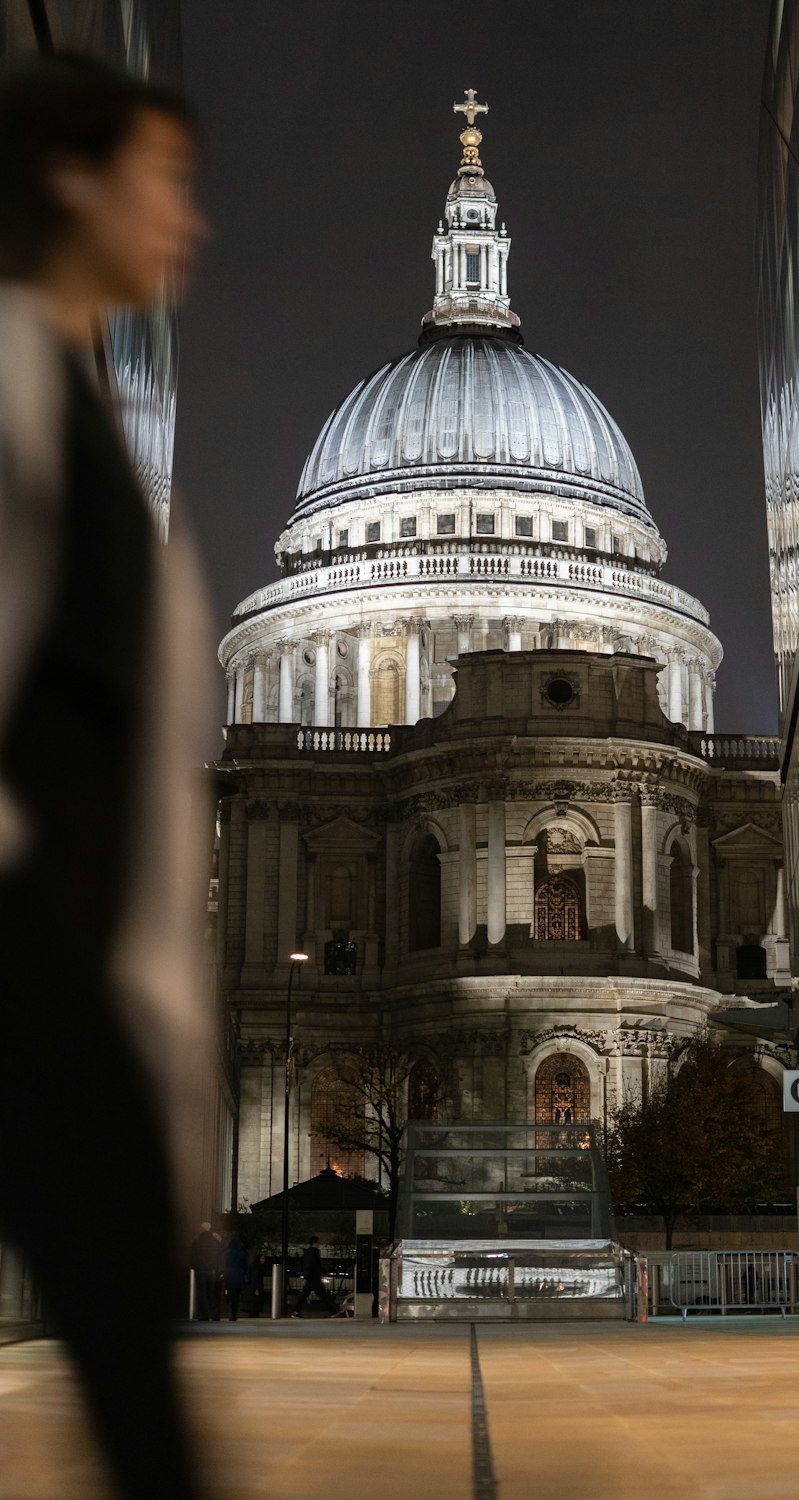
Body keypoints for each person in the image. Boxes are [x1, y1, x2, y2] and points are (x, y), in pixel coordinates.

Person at [0, 53, 211, 1500]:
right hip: (20, 946)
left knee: (127, 1330)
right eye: (163, 179)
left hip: (65, 954)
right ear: (72, 180)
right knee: (129, 1350)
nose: (186, 220)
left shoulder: (88, 419)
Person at [291, 1236, 334, 1316]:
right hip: (314, 1278)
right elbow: (312, 1265)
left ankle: (296, 1312)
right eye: (318, 1242)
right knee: (323, 1295)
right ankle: (332, 1311)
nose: (319, 1244)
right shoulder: (314, 1252)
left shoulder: (309, 1252)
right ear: (314, 1243)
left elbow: (309, 1265)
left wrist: (306, 1277)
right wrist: (307, 1277)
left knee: (304, 1296)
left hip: (311, 1278)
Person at [190, 1222, 222, 1321]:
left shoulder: (198, 1240)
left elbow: (193, 1255)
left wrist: (194, 1266)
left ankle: (204, 1314)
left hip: (201, 1269)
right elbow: (219, 1255)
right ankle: (213, 1313)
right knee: (211, 1292)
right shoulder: (214, 1241)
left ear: (203, 1229)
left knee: (202, 1292)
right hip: (212, 1270)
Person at [222, 1233, 249, 1321]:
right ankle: (234, 1313)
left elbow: (223, 1265)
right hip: (239, 1276)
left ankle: (231, 1312)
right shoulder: (242, 1254)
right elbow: (245, 1266)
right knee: (237, 1296)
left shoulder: (226, 1253)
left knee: (231, 1295)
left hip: (229, 1276)